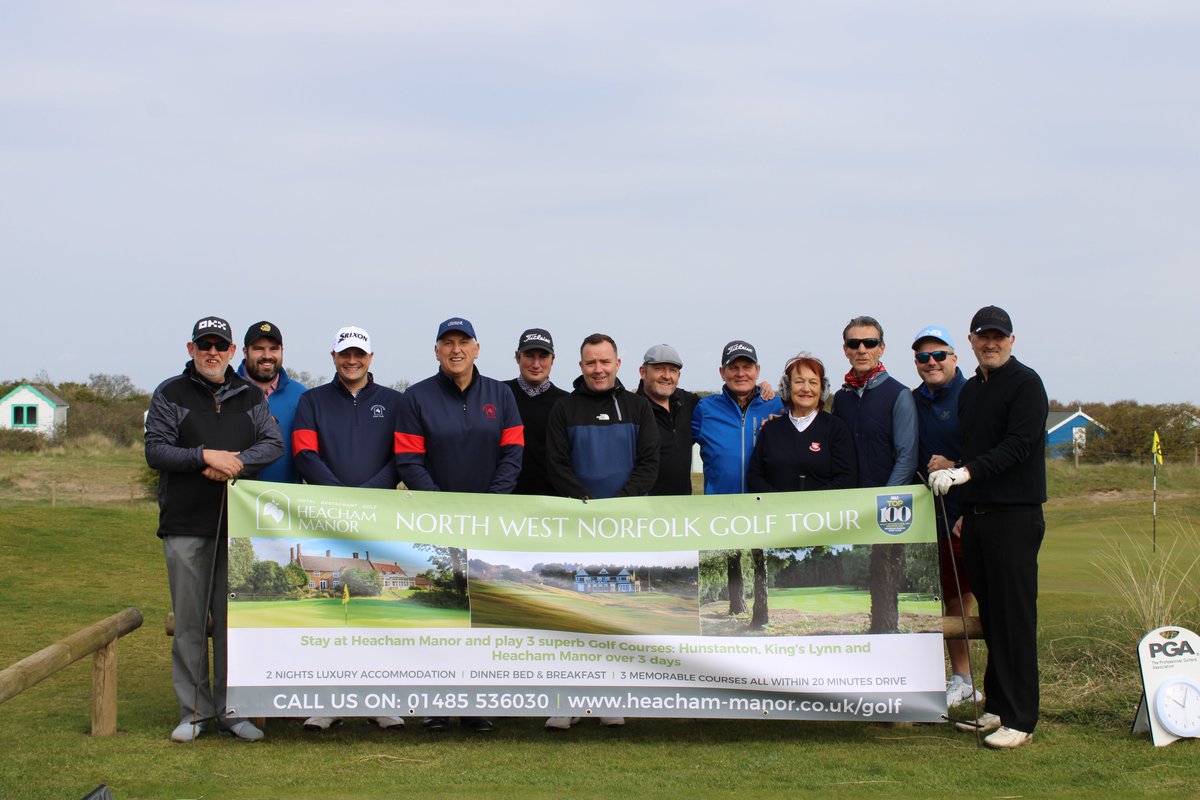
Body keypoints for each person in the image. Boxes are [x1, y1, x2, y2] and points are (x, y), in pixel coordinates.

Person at [145, 316, 283, 743]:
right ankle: (194, 713)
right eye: (204, 345)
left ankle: (230, 712)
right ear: (191, 349)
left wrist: (234, 463)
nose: (212, 352)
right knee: (189, 623)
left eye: (220, 346)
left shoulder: (250, 395)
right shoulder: (170, 392)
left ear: (231, 352)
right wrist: (204, 456)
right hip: (186, 523)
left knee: (231, 624)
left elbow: (273, 443)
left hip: (236, 526)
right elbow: (156, 450)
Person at [395, 317, 524, 733]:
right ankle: (435, 702)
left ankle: (475, 702)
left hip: (488, 525)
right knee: (441, 615)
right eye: (447, 343)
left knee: (480, 613)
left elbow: (512, 455)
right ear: (436, 350)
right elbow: (409, 460)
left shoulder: (501, 395)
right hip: (434, 525)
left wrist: (488, 506)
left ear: (476, 348)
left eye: (463, 342)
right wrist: (443, 510)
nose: (456, 350)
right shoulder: (416, 397)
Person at [930, 306, 1048, 750]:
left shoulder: (1026, 384)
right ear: (972, 341)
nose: (991, 343)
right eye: (984, 337)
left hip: (1014, 516)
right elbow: (975, 447)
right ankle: (998, 706)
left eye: (999, 337)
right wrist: (966, 500)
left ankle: (1021, 718)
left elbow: (1018, 446)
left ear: (1011, 341)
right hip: (977, 517)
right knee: (994, 618)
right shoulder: (972, 391)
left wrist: (963, 473)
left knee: (1014, 619)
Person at [291, 326, 405, 731]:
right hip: (327, 519)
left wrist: (365, 497)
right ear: (334, 357)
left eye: (359, 354)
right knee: (332, 612)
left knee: (372, 609)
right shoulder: (312, 401)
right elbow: (305, 453)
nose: (351, 360)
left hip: (377, 519)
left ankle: (378, 700)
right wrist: (341, 499)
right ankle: (329, 702)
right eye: (344, 354)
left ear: (371, 357)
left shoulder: (394, 402)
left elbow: (402, 457)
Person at [544, 333, 659, 730]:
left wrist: (618, 507)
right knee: (575, 615)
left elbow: (649, 463)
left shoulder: (638, 407)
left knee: (615, 613)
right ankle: (569, 701)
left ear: (617, 364)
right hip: (578, 526)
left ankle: (611, 697)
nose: (598, 369)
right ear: (581, 366)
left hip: (625, 527)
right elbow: (556, 464)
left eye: (605, 362)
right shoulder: (564, 408)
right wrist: (588, 505)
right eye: (591, 362)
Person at [910, 325, 979, 708]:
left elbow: (989, 454)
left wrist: (956, 465)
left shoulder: (972, 394)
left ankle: (995, 683)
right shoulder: (913, 399)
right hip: (927, 518)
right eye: (923, 357)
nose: (931, 362)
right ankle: (960, 678)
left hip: (967, 514)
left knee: (980, 600)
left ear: (955, 357)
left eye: (939, 355)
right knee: (948, 601)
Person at [747, 355, 856, 493]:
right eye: (799, 382)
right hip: (776, 506)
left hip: (823, 507)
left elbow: (846, 478)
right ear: (787, 387)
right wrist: (779, 501)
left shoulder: (836, 428)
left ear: (822, 389)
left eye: (813, 382)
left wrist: (809, 502)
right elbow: (755, 477)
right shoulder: (770, 429)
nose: (806, 388)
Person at [830, 316, 918, 489]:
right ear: (845, 350)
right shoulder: (840, 398)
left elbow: (907, 459)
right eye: (854, 344)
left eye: (870, 343)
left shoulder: (899, 394)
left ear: (881, 348)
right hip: (845, 501)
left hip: (883, 500)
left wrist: (885, 499)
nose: (862, 350)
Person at [692, 340, 783, 495]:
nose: (741, 374)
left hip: (765, 506)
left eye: (747, 367)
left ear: (757, 371)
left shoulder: (778, 406)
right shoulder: (704, 409)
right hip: (719, 506)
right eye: (733, 368)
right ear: (722, 372)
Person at [236, 321, 306, 484]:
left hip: (287, 496)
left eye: (274, 349)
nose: (267, 355)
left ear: (282, 351)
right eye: (259, 348)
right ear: (245, 351)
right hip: (236, 494)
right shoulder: (228, 391)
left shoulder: (301, 395)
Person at [504, 328, 568, 496]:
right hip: (503, 499)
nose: (536, 364)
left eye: (543, 357)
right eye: (529, 356)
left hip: (551, 501)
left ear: (553, 359)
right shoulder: (499, 394)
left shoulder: (567, 403)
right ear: (518, 357)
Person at [635, 344, 699, 496]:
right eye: (659, 369)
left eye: (673, 370)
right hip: (644, 506)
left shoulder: (689, 402)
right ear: (643, 372)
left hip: (682, 506)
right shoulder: (631, 408)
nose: (667, 376)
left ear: (679, 376)